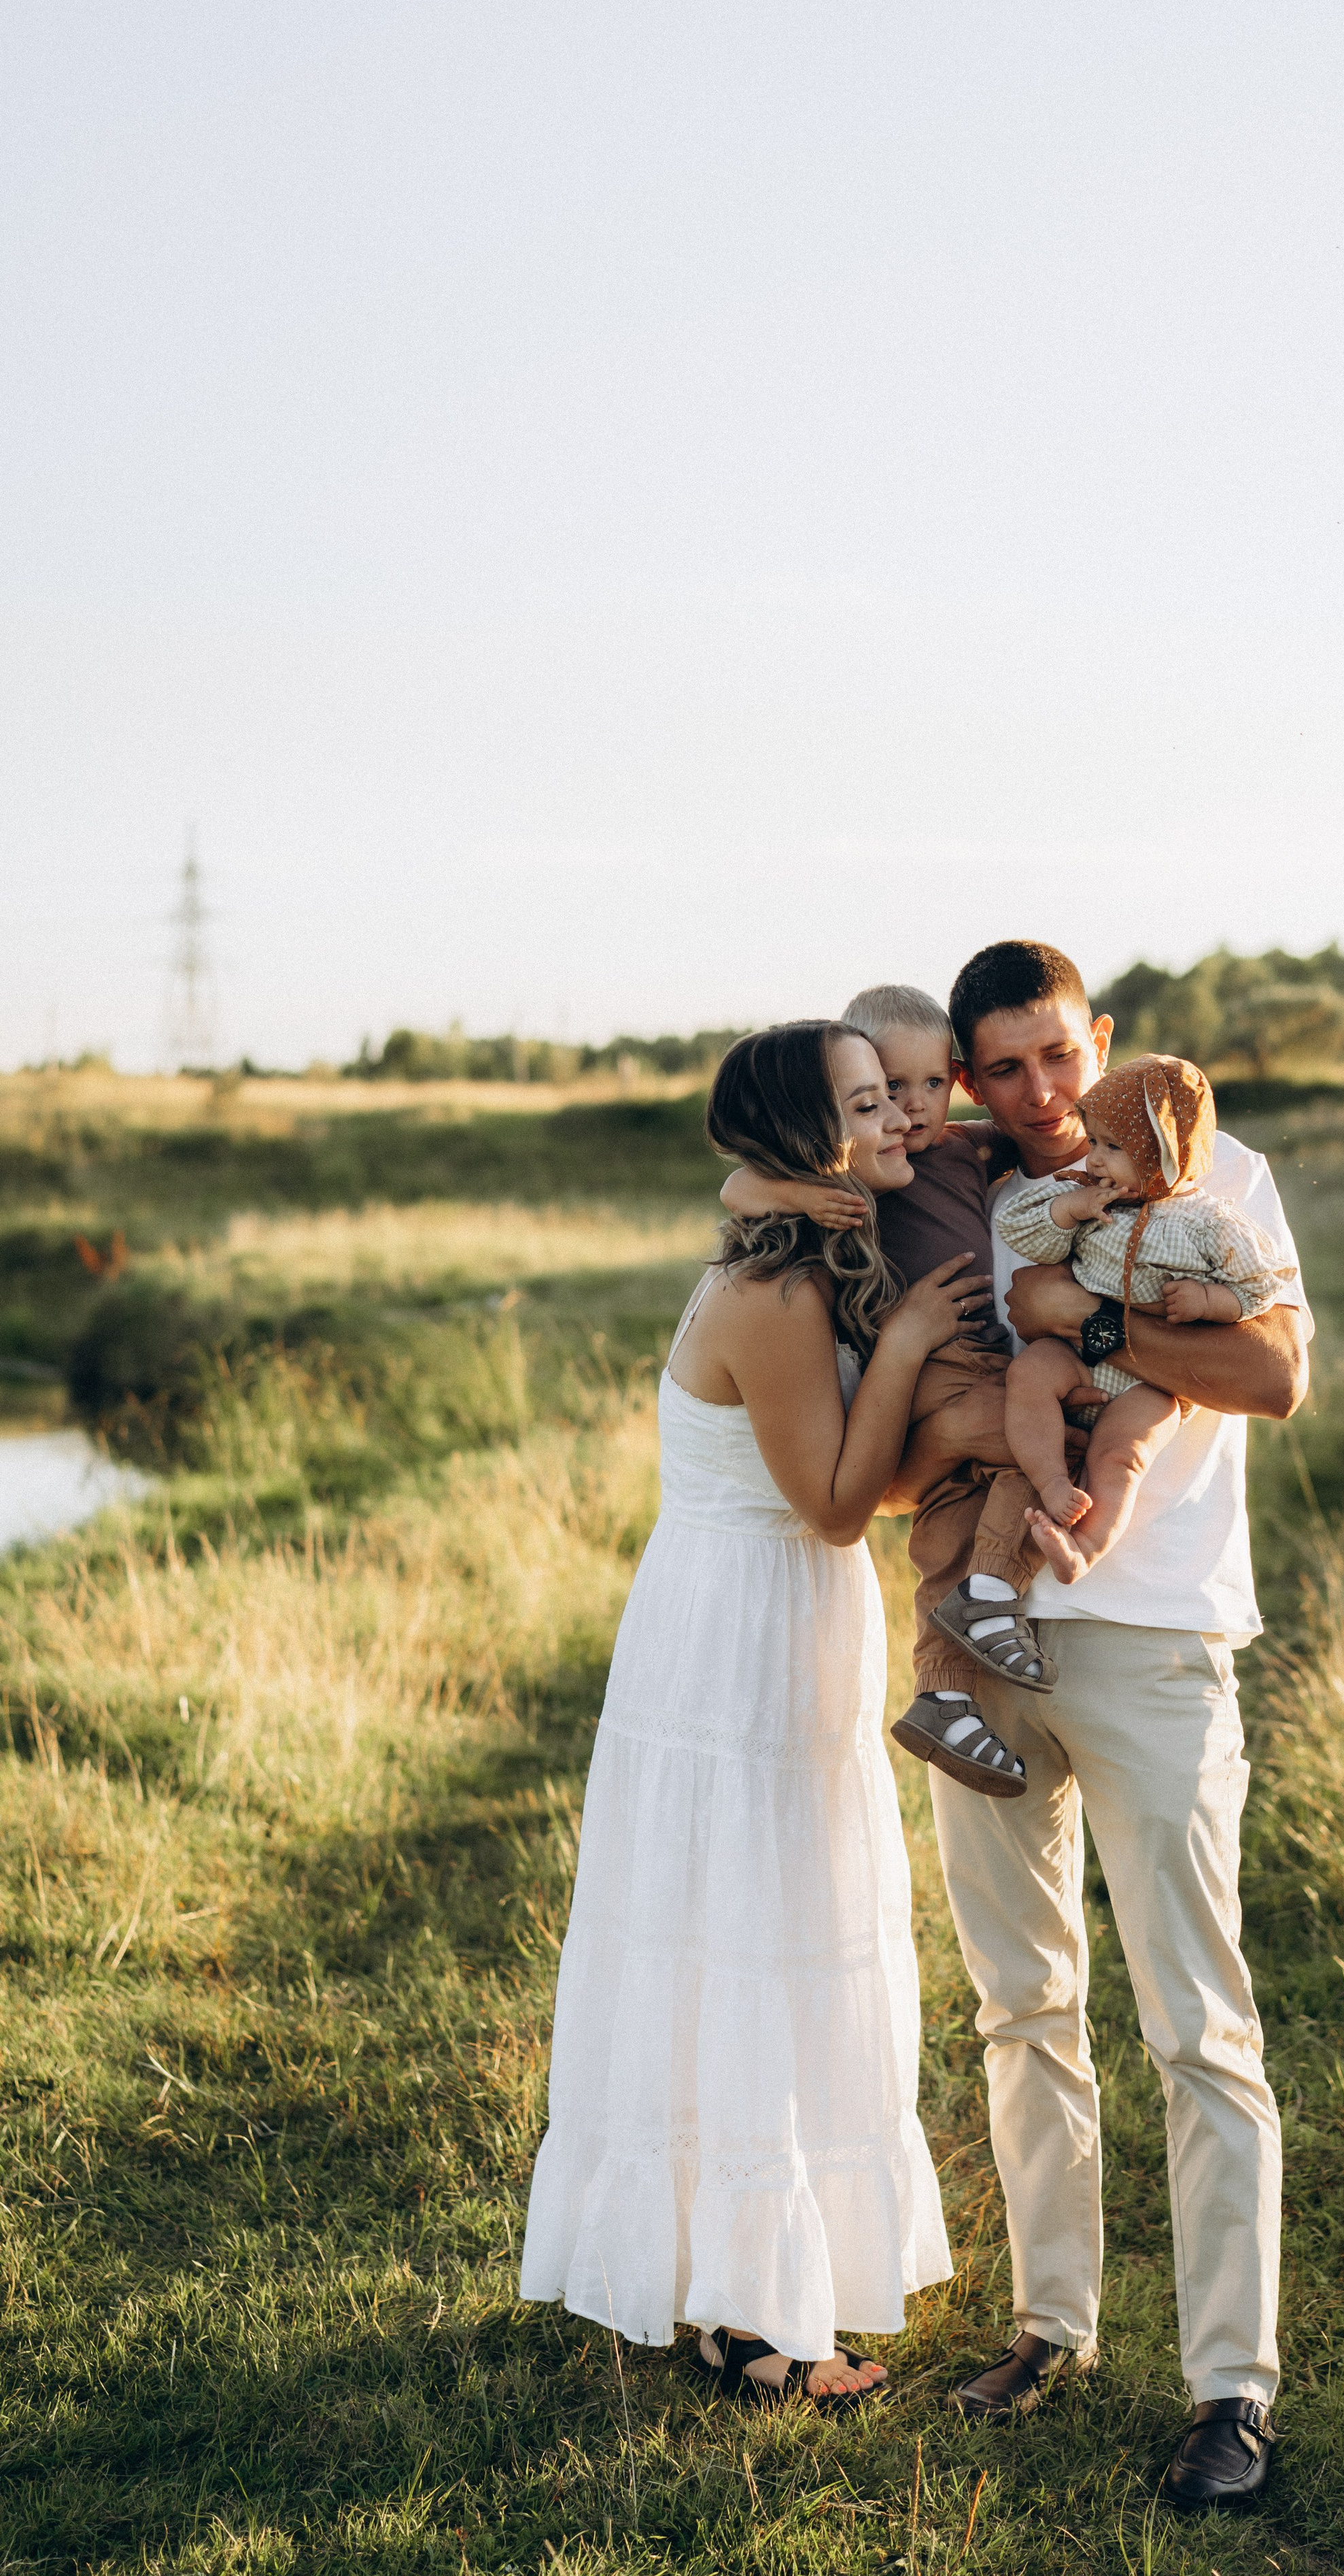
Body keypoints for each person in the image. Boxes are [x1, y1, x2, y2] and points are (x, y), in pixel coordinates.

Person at [901, 940, 1310, 2513]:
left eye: (1055, 1056)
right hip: (991, 1644)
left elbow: (1268, 1370)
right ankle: (1047, 2323)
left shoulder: (1229, 1174)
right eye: (999, 1069)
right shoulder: (969, 1191)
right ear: (964, 1077)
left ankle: (1228, 2389)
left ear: (1102, 1040)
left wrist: (1077, 1329)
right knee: (1021, 2007)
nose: (1037, 1093)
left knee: (1195, 2024)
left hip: (1153, 1642)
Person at [519, 1020, 980, 2407]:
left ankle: (741, 2301)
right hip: (738, 1636)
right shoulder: (776, 1296)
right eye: (864, 1102)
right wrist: (903, 1342)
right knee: (753, 1951)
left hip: (783, 1619)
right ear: (806, 1136)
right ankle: (760, 2325)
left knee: (765, 1943)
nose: (900, 1113)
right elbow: (836, 1504)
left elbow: (856, 1478)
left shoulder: (790, 1250)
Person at [719, 984, 1042, 1800]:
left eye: (930, 1085)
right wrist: (792, 1192)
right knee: (1056, 1436)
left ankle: (943, 1693)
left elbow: (1049, 1133)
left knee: (954, 1524)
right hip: (946, 1367)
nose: (908, 1111)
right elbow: (741, 1186)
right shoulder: (852, 1196)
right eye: (880, 1095)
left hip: (964, 1365)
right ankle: (994, 1595)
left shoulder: (956, 1151)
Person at [997, 1053, 1294, 1584]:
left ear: (1167, 1151)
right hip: (1075, 1355)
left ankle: (1084, 1549)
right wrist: (1071, 1210)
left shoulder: (1209, 1221)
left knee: (1123, 1456)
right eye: (1093, 1143)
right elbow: (1018, 1227)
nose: (1096, 1161)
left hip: (1151, 1382)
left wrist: (1209, 1303)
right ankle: (1052, 1485)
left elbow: (1261, 1283)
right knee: (1030, 1376)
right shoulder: (1087, 1198)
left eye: (1115, 1148)